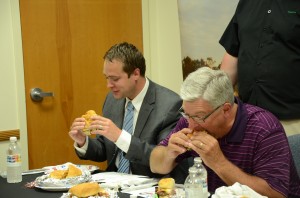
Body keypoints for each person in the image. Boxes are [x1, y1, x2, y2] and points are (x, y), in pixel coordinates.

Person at [150, 67, 300, 198]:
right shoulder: (191, 119)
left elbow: (275, 194)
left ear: (226, 109)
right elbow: (155, 165)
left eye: (199, 116)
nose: (191, 124)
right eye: (186, 114)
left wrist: (218, 162)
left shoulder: (265, 128)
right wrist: (169, 153)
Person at [69, 42, 183, 178]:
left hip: (148, 187)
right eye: (107, 78)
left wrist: (119, 137)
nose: (108, 85)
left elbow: (164, 157)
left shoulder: (169, 104)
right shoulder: (112, 100)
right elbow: (104, 150)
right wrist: (83, 141)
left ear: (135, 73)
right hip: (112, 184)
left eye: (115, 79)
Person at [219, 0, 300, 136]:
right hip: (248, 119)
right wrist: (215, 102)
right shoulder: (246, 3)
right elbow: (232, 57)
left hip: (292, 122)